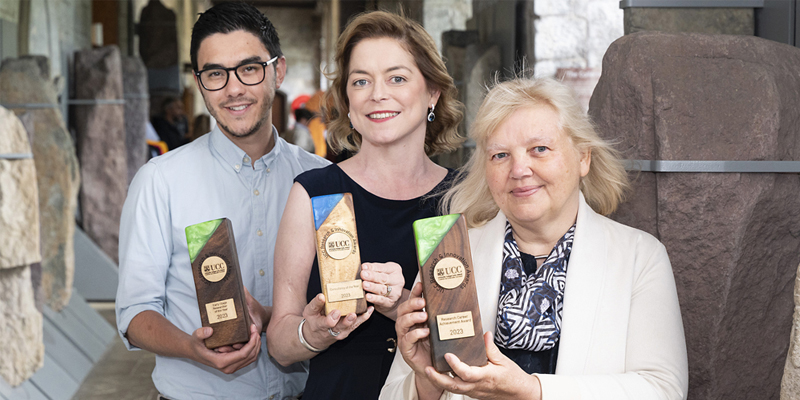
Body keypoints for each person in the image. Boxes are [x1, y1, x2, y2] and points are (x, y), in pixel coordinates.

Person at [381, 78, 689, 400]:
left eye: (539, 149)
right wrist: (428, 379)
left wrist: (532, 391)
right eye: (500, 155)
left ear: (583, 157)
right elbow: (391, 395)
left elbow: (663, 389)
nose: (519, 169)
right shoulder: (448, 256)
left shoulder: (640, 257)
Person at [115, 3, 328, 399]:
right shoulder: (160, 181)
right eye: (215, 74)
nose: (233, 89)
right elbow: (134, 312)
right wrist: (189, 347)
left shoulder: (320, 180)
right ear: (199, 82)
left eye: (249, 69)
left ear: (277, 71)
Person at [265, 11, 464, 400]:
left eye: (397, 78)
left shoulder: (463, 197)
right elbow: (279, 343)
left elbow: (476, 334)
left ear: (433, 93)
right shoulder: (314, 192)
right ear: (347, 101)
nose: (377, 94)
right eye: (361, 81)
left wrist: (403, 304)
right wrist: (314, 332)